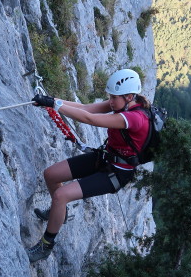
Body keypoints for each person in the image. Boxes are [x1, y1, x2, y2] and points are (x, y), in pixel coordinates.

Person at [26, 68, 151, 263]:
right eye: (109, 96)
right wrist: (51, 101)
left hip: (117, 173)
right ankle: (59, 213)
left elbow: (90, 119)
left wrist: (54, 105)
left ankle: (46, 245)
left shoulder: (134, 118)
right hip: (105, 158)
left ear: (128, 96)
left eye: (113, 97)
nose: (110, 101)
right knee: (51, 175)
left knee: (61, 195)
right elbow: (85, 108)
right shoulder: (121, 103)